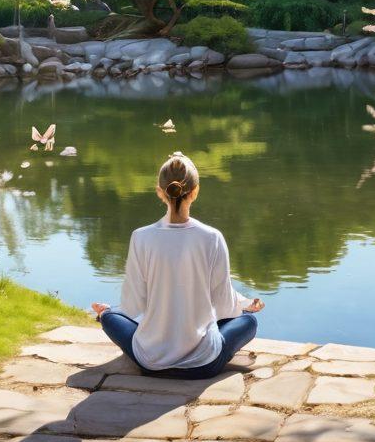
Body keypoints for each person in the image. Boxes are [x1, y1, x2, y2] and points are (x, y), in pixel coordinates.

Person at [91, 151, 264, 379]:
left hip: (151, 362)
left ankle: (104, 314)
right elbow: (223, 305)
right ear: (195, 191)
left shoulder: (141, 237)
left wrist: (111, 312)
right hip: (203, 364)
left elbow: (133, 305)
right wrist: (244, 305)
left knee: (111, 317)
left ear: (159, 192)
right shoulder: (212, 237)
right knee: (248, 321)